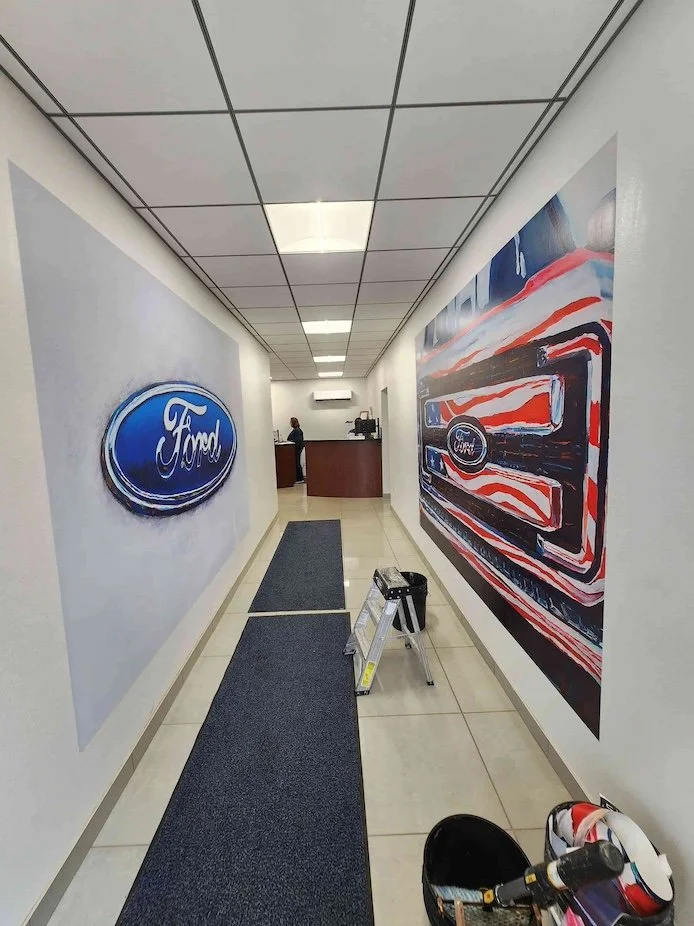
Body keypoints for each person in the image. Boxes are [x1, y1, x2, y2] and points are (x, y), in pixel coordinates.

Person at [287, 417, 304, 484]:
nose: (290, 423)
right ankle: (298, 478)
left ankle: (300, 478)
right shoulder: (296, 430)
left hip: (297, 449)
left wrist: (291, 441)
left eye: (291, 422)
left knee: (297, 463)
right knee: (296, 463)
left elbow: (298, 440)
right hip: (296, 449)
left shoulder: (297, 430)